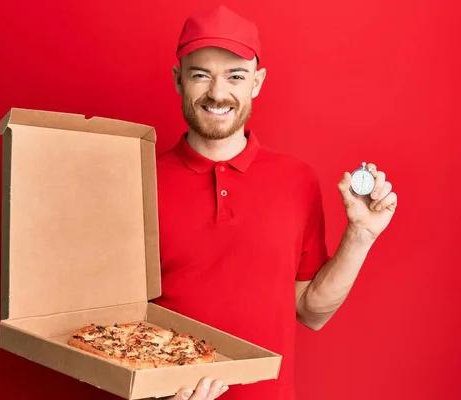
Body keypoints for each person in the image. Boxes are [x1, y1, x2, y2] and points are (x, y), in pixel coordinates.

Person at [151, 5, 398, 400]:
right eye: (201, 75)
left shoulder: (296, 180)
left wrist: (361, 234)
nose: (218, 93)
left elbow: (311, 311)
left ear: (257, 82)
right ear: (179, 80)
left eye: (235, 76)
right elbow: (114, 321)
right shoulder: (139, 180)